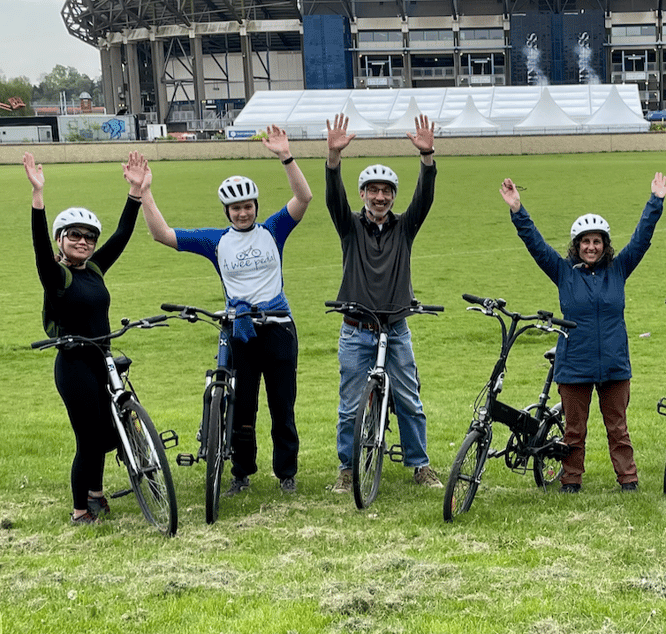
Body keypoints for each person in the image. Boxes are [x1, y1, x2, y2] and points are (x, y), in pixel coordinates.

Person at [126, 125, 311, 497]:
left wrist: (285, 157)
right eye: (236, 208)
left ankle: (286, 472)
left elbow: (303, 198)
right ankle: (241, 473)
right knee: (242, 408)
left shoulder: (273, 230)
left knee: (282, 404)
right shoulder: (216, 240)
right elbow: (163, 234)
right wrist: (144, 193)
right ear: (226, 210)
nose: (242, 213)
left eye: (247, 207)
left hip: (278, 327)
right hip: (240, 330)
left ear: (256, 207)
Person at [500, 172, 666, 492]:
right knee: (574, 429)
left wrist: (655, 202)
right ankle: (571, 479)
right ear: (577, 246)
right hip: (575, 362)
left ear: (604, 245)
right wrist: (517, 210)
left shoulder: (619, 268)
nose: (591, 247)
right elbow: (535, 245)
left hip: (614, 363)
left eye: (597, 241)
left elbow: (642, 238)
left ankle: (628, 480)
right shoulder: (563, 271)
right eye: (585, 242)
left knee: (618, 427)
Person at [326, 112, 443, 491]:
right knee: (349, 407)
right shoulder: (350, 227)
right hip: (355, 329)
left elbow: (424, 200)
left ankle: (420, 465)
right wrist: (333, 158)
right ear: (363, 194)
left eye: (386, 191)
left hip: (395, 328)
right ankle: (348, 469)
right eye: (372, 190)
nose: (380, 197)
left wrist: (427, 159)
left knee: (409, 400)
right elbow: (332, 199)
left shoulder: (404, 228)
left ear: (393, 196)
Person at [25, 151, 143, 524]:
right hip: (74, 364)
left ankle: (96, 493)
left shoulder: (93, 268)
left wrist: (136, 194)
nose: (83, 241)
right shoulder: (57, 276)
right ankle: (82, 511)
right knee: (89, 439)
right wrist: (38, 197)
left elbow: (122, 236)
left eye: (89, 236)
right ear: (61, 239)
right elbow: (40, 251)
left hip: (102, 358)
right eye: (74, 235)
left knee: (108, 434)